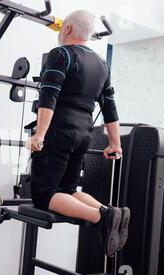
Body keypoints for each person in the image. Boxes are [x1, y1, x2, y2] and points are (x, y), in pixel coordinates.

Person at [27, 10, 130, 257]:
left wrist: (39, 134)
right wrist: (115, 143)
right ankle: (110, 211)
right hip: (85, 135)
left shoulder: (61, 54)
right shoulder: (102, 65)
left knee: (44, 194)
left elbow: (48, 95)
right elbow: (109, 107)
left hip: (59, 133)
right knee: (68, 189)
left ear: (69, 29)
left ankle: (101, 217)